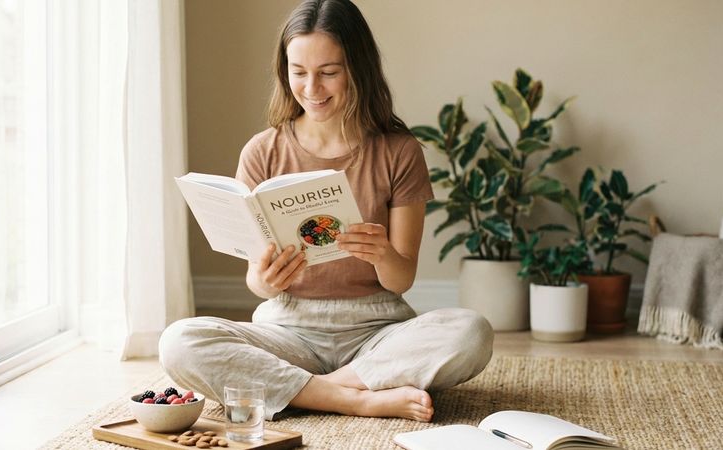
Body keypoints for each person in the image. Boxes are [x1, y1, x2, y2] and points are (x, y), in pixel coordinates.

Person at [160, 0, 492, 422]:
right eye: (298, 72)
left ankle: (307, 390)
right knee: (179, 342)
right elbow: (256, 283)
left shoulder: (399, 150)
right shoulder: (263, 151)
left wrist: (382, 254)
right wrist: (266, 279)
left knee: (471, 331)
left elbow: (401, 279)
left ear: (358, 68)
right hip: (287, 330)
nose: (312, 89)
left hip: (376, 331)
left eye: (329, 72)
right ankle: (355, 398)